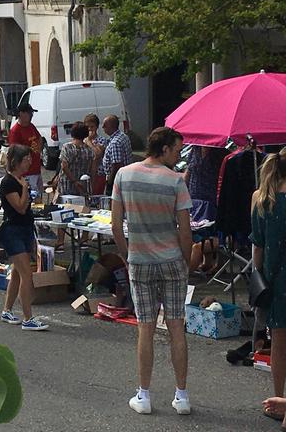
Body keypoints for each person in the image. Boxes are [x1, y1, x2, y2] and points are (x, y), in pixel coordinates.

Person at [111, 127, 192, 416]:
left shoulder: (124, 175)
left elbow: (116, 224)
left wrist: (126, 254)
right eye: (177, 149)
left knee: (145, 328)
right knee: (176, 327)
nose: (179, 155)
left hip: (140, 260)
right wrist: (186, 261)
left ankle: (143, 394)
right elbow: (185, 229)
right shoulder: (175, 182)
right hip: (171, 260)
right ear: (165, 149)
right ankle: (181, 395)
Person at [250, 148, 286, 427]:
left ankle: (278, 400)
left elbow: (258, 246)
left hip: (275, 277)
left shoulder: (262, 199)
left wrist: (258, 275)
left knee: (279, 342)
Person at [0, 144, 49, 330]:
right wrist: (25, 189)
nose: (29, 161)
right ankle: (28, 318)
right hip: (13, 231)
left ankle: (7, 310)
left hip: (25, 229)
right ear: (16, 161)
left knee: (18, 273)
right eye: (26, 159)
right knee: (27, 274)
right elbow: (19, 207)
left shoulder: (20, 179)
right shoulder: (9, 182)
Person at [184, 146, 226, 272]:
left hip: (211, 198)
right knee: (199, 231)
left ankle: (219, 264)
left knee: (212, 230)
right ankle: (206, 262)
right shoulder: (194, 150)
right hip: (195, 197)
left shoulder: (220, 152)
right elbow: (188, 171)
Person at [55, 121, 95, 251]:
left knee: (63, 212)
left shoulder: (67, 147)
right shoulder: (88, 150)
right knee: (83, 212)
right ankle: (84, 239)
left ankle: (60, 242)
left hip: (67, 184)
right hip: (82, 184)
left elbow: (64, 166)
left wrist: (73, 180)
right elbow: (91, 168)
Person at [8, 104, 43, 197]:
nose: (31, 116)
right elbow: (14, 151)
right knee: (32, 197)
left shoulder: (31, 126)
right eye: (29, 113)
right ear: (21, 114)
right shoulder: (15, 131)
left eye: (31, 113)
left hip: (36, 169)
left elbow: (39, 138)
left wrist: (39, 149)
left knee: (39, 196)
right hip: (27, 172)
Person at [103, 114, 133, 194]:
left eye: (105, 125)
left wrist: (110, 182)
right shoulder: (123, 136)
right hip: (126, 176)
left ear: (111, 126)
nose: (102, 127)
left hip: (117, 180)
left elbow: (116, 165)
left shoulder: (115, 143)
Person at [84, 113, 107, 195]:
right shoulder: (83, 140)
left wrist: (89, 142)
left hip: (98, 173)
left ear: (97, 127)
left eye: (92, 127)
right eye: (87, 127)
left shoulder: (102, 140)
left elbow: (98, 154)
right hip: (86, 173)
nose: (89, 129)